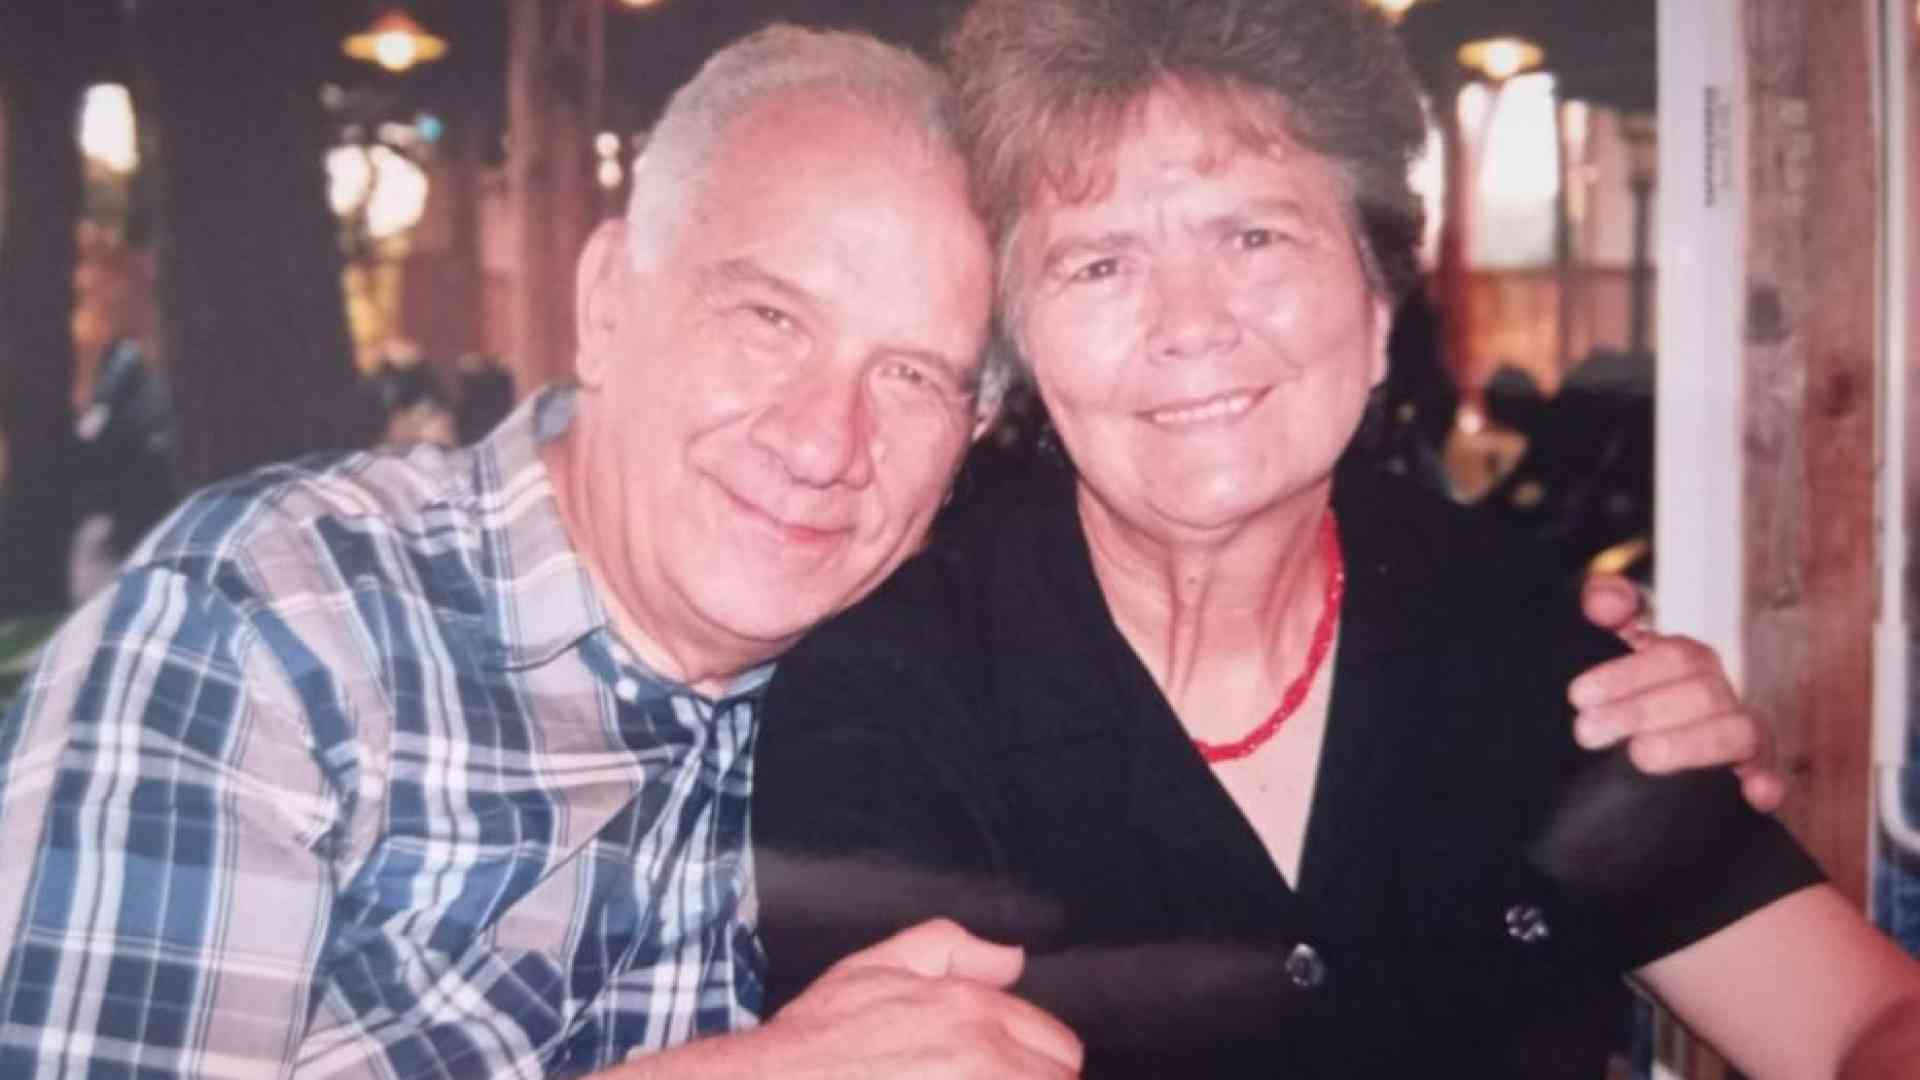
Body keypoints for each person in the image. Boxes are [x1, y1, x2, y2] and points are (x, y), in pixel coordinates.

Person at [0, 18, 1782, 1080]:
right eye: (767, 317)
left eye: (913, 374)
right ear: (608, 299)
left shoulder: (860, 668)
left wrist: (1636, 710)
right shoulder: (273, 627)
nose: (824, 438)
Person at [752, 1, 1920, 1077]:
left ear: (1376, 303)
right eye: (1101, 263)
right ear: (1026, 355)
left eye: (1254, 237)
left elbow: (1859, 1022)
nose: (1190, 325)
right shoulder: (890, 699)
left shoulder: (1524, 644)